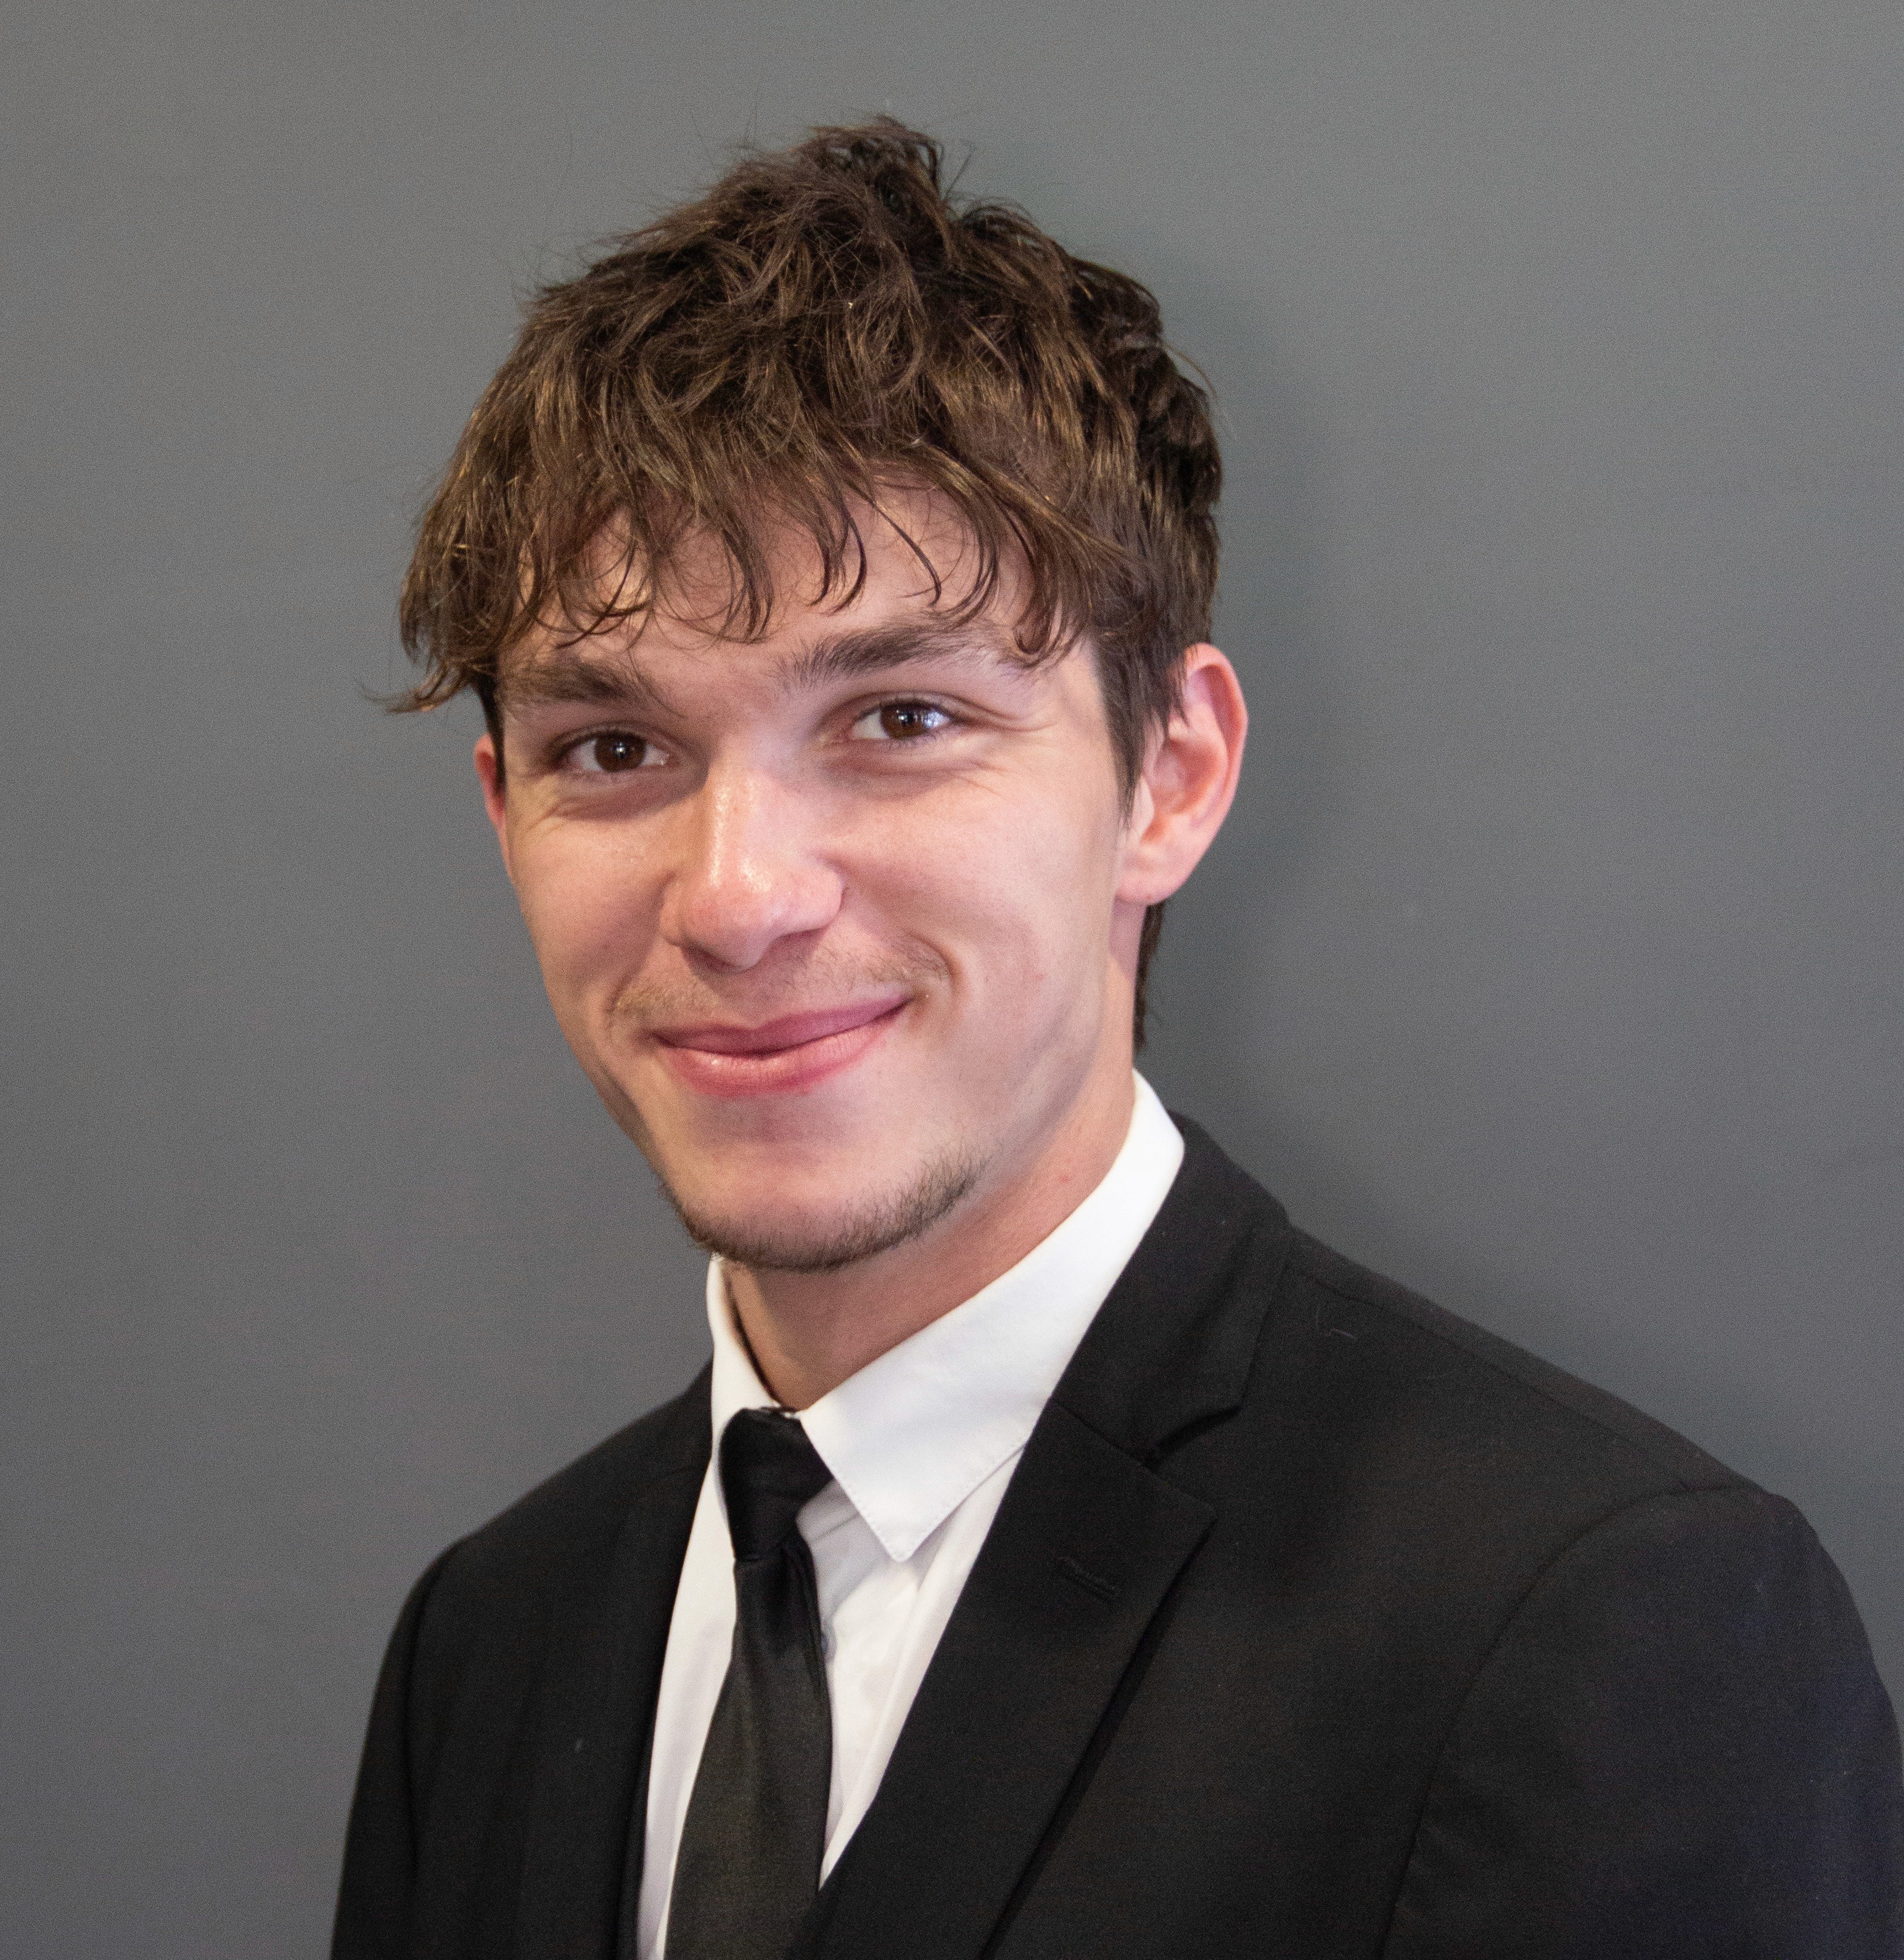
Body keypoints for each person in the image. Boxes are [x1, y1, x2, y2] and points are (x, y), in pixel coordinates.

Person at [332, 120, 1902, 1960]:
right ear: (503, 814)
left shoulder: (1601, 1628)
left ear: (1171, 775)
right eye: (614, 749)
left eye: (901, 718)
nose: (738, 896)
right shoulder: (490, 1647)